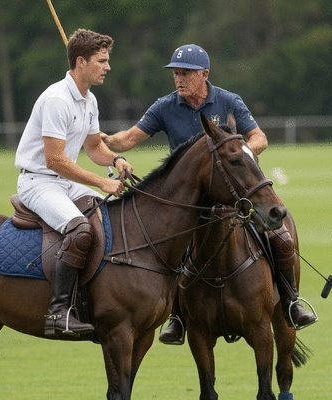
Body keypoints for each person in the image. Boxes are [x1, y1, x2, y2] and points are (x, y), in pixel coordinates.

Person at [102, 44, 317, 344]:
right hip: (190, 205)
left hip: (235, 191)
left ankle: (291, 301)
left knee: (279, 236)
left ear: (204, 74)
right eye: (176, 74)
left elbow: (260, 138)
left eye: (186, 74)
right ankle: (177, 317)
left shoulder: (228, 101)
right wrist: (104, 137)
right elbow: (127, 139)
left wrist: (236, 155)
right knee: (168, 250)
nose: (179, 80)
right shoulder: (165, 106)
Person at [15, 29, 133, 337]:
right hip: (38, 182)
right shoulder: (56, 99)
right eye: (101, 61)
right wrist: (100, 182)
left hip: (63, 182)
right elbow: (55, 159)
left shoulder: (89, 100)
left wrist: (116, 161)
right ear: (81, 62)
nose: (107, 67)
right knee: (80, 229)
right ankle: (58, 313)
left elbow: (94, 148)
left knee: (106, 218)